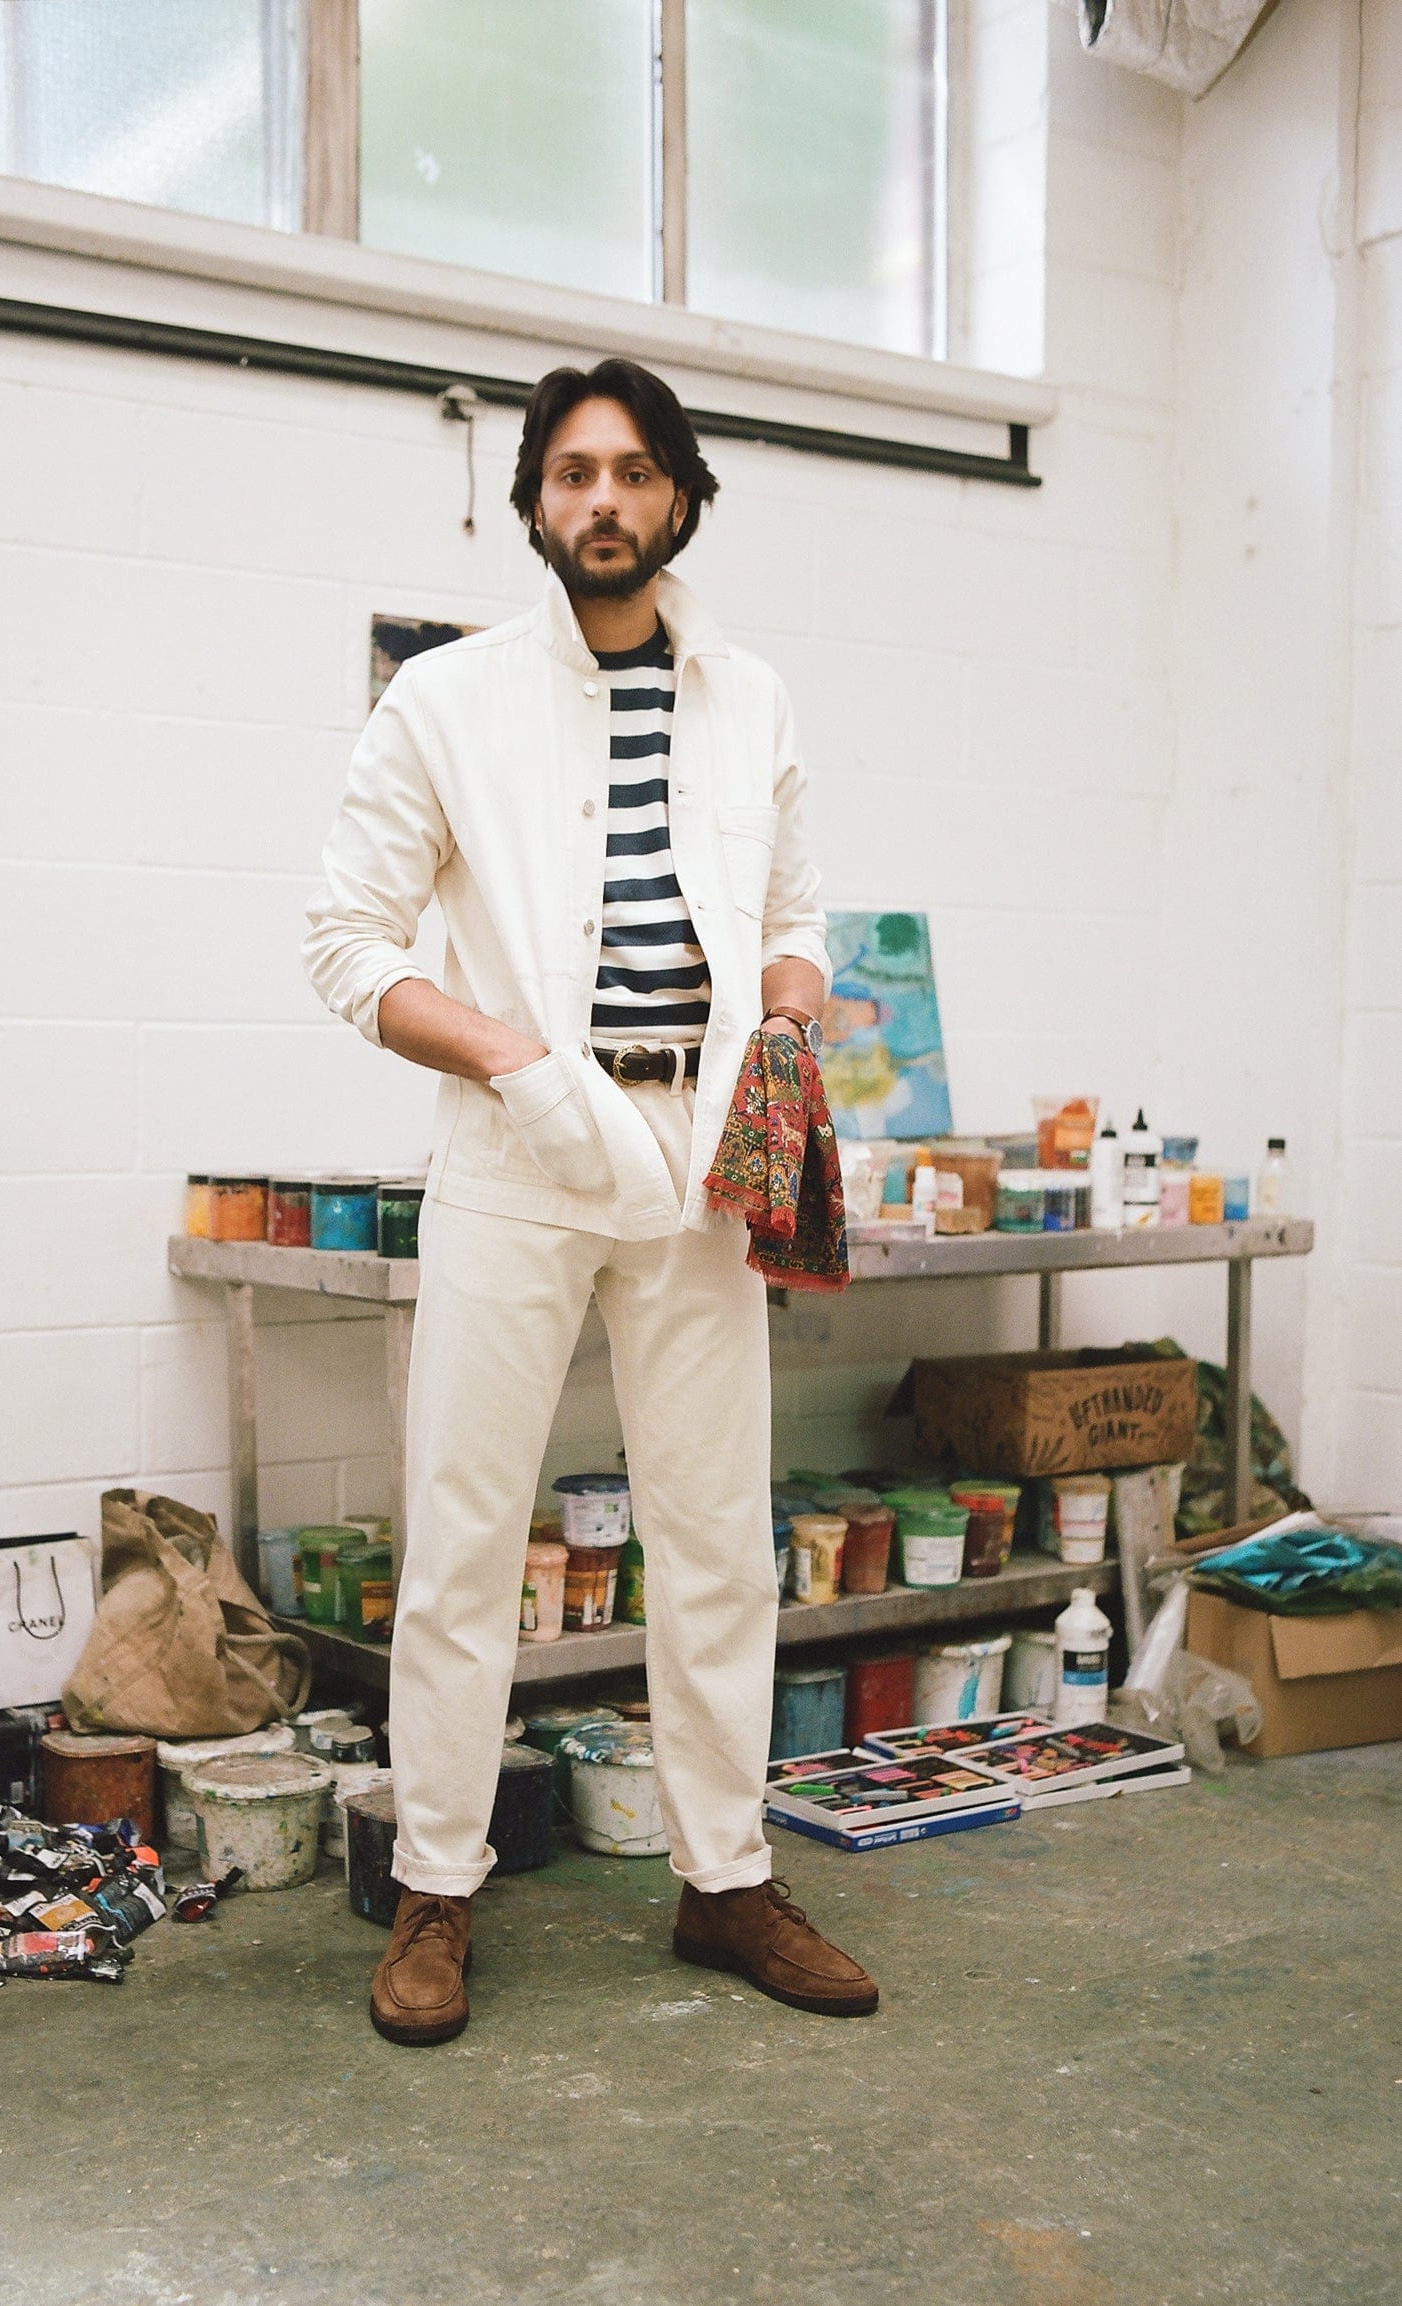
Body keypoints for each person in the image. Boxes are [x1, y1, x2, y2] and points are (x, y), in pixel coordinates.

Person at [303, 358, 879, 2045]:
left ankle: (724, 1877)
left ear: (679, 494)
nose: (602, 500)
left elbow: (794, 912)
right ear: (534, 503)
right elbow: (345, 946)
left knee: (716, 1536)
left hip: (701, 1153)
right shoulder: (446, 700)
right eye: (571, 473)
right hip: (514, 1148)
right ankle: (434, 1886)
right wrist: (511, 1057)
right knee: (462, 1533)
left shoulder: (749, 698)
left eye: (631, 470)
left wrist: (787, 1020)